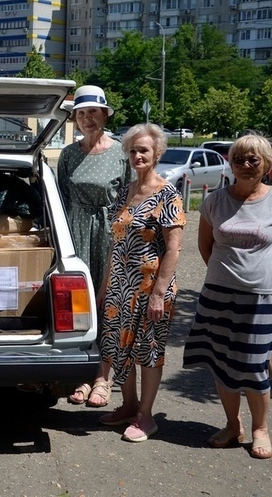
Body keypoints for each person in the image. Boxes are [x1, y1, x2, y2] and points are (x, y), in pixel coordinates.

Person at [183, 134, 272, 459]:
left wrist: (259, 276)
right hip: (218, 292)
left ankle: (260, 428)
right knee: (221, 361)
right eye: (239, 160)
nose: (246, 165)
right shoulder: (215, 201)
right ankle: (233, 426)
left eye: (253, 160)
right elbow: (206, 246)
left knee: (253, 365)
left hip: (263, 295)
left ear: (266, 164)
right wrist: (227, 274)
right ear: (231, 164)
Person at [97, 123, 185, 442]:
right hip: (121, 286)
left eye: (143, 150)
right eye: (133, 150)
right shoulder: (127, 190)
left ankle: (146, 416)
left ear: (157, 152)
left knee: (148, 351)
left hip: (150, 289)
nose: (137, 155)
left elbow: (174, 248)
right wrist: (105, 286)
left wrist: (159, 293)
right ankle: (128, 405)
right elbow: (115, 242)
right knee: (121, 348)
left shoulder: (167, 193)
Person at [57, 85, 130, 407]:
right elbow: (59, 197)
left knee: (107, 302)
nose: (87, 118)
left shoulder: (121, 152)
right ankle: (80, 375)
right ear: (75, 118)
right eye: (81, 113)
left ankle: (102, 377)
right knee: (74, 303)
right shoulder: (69, 154)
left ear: (105, 114)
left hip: (109, 233)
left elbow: (130, 201)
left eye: (93, 112)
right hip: (74, 231)